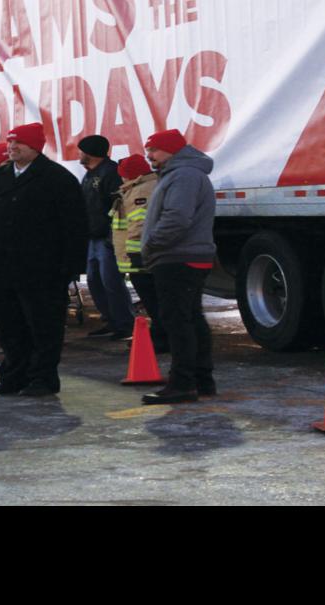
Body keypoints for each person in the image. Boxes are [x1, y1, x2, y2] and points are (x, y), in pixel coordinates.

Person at [0, 122, 87, 398]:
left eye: (18, 143)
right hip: (0, 268)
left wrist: (70, 268)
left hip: (42, 270)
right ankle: (13, 376)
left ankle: (43, 378)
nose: (11, 147)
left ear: (36, 147)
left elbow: (75, 227)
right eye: (10, 143)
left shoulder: (57, 179)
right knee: (10, 327)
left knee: (43, 327)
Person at [139, 129, 218, 404]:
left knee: (178, 322)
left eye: (155, 150)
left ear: (172, 150)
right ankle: (201, 380)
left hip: (177, 257)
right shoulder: (182, 174)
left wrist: (151, 245)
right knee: (191, 319)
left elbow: (177, 218)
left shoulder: (183, 175)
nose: (149, 155)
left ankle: (182, 383)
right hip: (184, 256)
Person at [77, 134, 134, 340]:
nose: (79, 155)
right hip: (93, 236)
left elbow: (118, 206)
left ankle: (124, 323)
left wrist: (112, 236)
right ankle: (110, 319)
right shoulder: (91, 174)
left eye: (81, 151)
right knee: (95, 281)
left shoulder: (109, 173)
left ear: (89, 153)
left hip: (106, 237)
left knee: (111, 282)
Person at [110, 153, 165, 352]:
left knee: (153, 301)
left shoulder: (139, 191)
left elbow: (138, 225)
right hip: (145, 256)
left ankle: (160, 338)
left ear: (130, 175)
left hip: (141, 259)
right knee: (156, 301)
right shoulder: (143, 187)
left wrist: (135, 255)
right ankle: (160, 335)